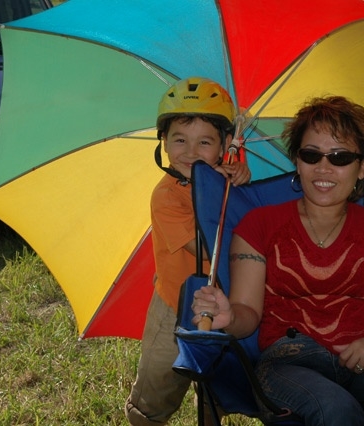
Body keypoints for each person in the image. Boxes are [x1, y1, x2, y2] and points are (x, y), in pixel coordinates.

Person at [191, 96, 364, 426]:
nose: (323, 167)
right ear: (297, 161)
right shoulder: (260, 225)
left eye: (340, 157)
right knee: (337, 409)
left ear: (361, 168)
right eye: (311, 155)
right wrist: (230, 316)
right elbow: (247, 314)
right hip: (288, 365)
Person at [125, 77, 251, 426]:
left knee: (216, 382)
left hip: (218, 303)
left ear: (224, 145)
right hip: (173, 306)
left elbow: (246, 225)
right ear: (163, 142)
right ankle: (146, 418)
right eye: (180, 140)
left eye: (205, 142)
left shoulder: (226, 183)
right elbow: (208, 244)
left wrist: (238, 183)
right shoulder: (166, 196)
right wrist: (217, 193)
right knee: (159, 381)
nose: (191, 152)